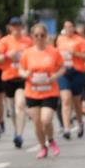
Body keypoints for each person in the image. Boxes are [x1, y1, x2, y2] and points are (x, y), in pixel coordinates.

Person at [19, 23, 65, 159]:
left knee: (46, 120)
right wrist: (24, 74)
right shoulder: (27, 53)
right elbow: (20, 69)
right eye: (36, 35)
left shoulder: (54, 52)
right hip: (32, 92)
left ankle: (51, 140)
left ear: (46, 36)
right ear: (32, 37)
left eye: (42, 35)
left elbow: (62, 68)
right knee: (37, 123)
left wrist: (55, 76)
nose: (39, 38)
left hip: (50, 91)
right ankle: (42, 147)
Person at [0, 16, 33, 149]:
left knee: (20, 105)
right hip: (8, 77)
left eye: (19, 26)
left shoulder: (28, 41)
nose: (16, 28)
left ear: (22, 27)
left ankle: (19, 134)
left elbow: (34, 56)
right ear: (10, 27)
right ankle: (16, 128)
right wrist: (8, 55)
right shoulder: (4, 41)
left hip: (22, 78)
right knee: (12, 110)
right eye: (14, 26)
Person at [56, 21, 85, 139]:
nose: (68, 29)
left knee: (76, 102)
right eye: (66, 27)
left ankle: (80, 123)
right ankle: (67, 128)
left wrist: (75, 53)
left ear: (74, 28)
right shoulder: (60, 39)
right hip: (64, 72)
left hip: (77, 72)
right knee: (65, 99)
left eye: (70, 27)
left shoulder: (80, 40)